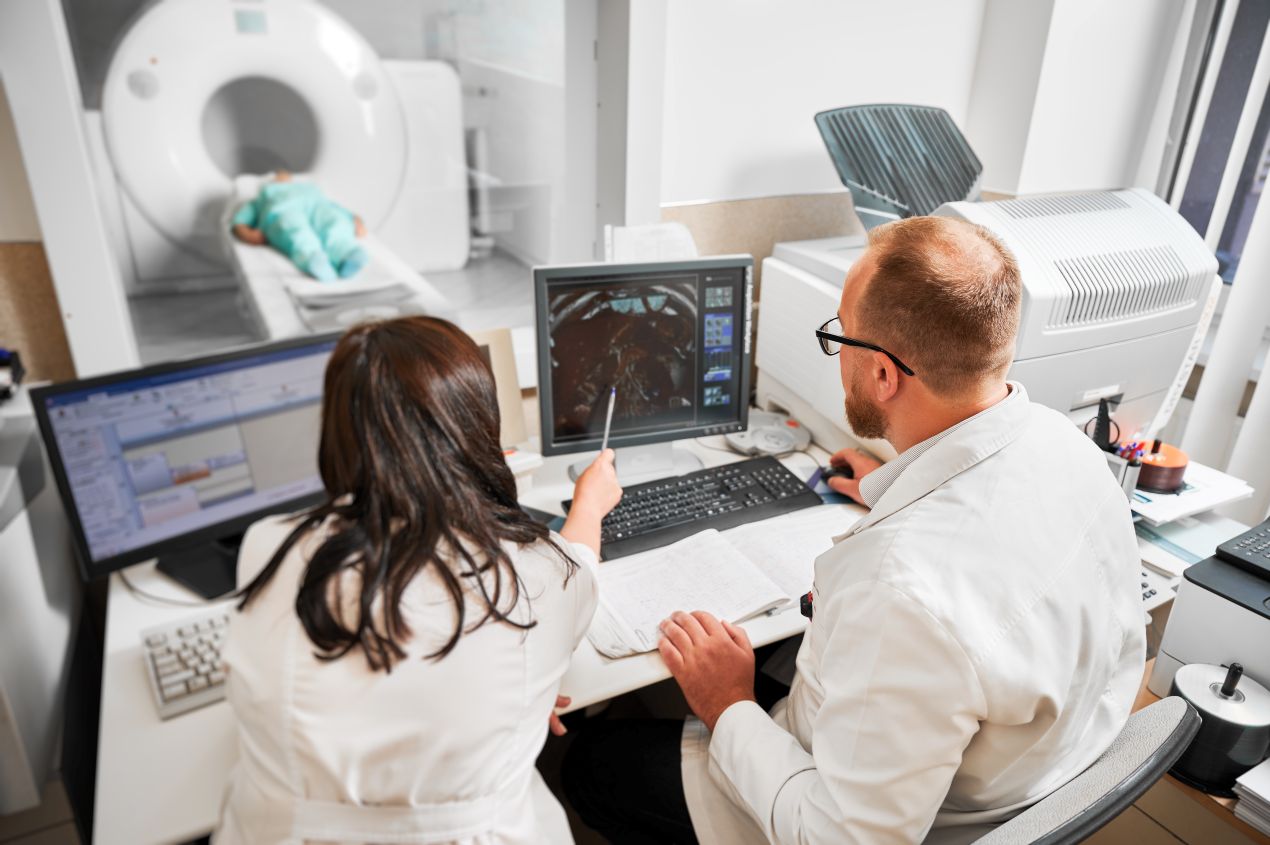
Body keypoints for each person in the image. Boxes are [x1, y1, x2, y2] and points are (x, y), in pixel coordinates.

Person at [563, 216, 1146, 844]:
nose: (836, 350)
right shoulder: (1071, 446)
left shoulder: (903, 594)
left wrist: (727, 704)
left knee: (592, 764)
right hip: (1026, 771)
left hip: (860, 814)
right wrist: (896, 481)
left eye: (840, 335)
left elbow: (840, 838)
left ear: (884, 376)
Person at [213, 316, 622, 844]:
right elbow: (581, 566)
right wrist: (589, 502)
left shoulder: (272, 545)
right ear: (478, 429)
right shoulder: (540, 579)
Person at [230, 170, 370, 282]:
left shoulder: (309, 188)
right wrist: (246, 233)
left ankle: (347, 253)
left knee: (334, 222)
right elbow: (239, 221)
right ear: (272, 180)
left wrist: (354, 219)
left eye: (285, 173)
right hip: (282, 210)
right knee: (295, 230)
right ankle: (312, 258)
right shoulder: (263, 196)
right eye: (278, 175)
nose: (282, 175)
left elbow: (333, 206)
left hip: (317, 207)